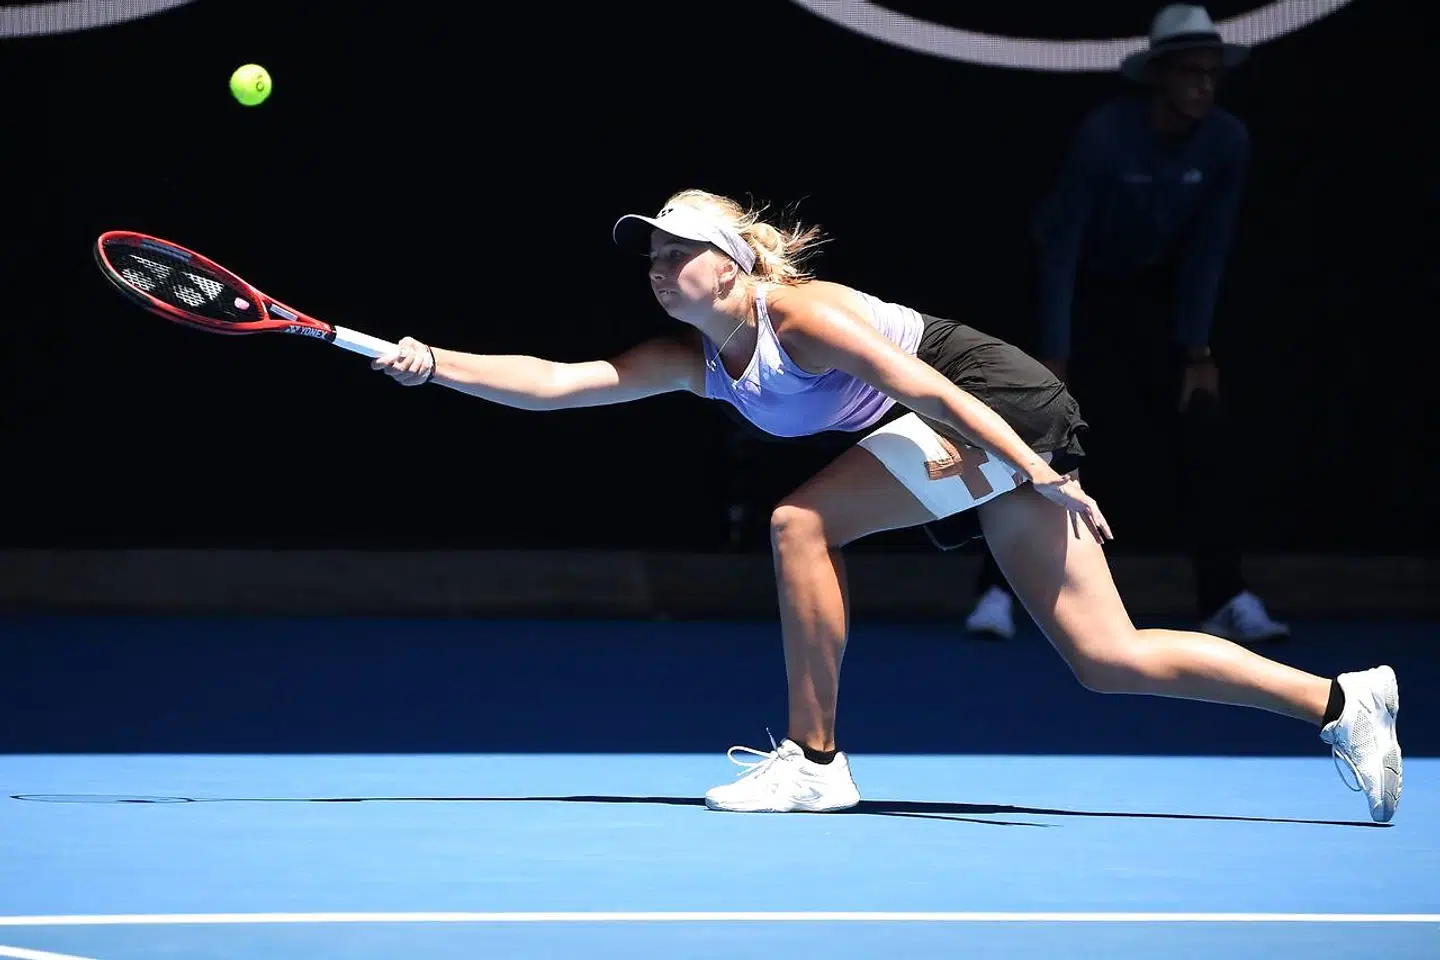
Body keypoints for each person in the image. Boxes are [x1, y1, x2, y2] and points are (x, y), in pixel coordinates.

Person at [371, 189, 1402, 823]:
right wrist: (431, 363)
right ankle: (1342, 702)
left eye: (673, 251)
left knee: (800, 521)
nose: (654, 268)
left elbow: (940, 396)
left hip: (997, 403)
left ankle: (815, 762)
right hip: (983, 430)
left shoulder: (803, 320)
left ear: (732, 266)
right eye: (646, 256)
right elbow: (558, 382)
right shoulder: (695, 362)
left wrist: (1039, 469)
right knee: (1107, 657)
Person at [964, 4, 1290, 644]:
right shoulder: (1105, 136)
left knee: (1204, 430)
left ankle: (1224, 597)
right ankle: (997, 593)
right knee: (1045, 436)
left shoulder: (1229, 141)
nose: (1203, 84)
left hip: (1155, 300)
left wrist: (1197, 347)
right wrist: (1053, 356)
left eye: (1212, 73)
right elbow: (1063, 248)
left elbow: (1210, 249)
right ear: (1159, 75)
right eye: (1191, 72)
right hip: (1075, 288)